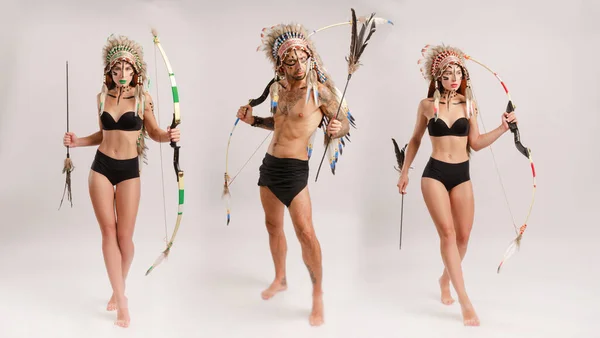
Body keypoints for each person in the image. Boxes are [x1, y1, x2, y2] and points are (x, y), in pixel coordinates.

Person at [235, 23, 352, 326]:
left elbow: (343, 121)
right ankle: (280, 278)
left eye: (302, 59)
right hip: (269, 167)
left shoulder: (320, 92)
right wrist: (253, 121)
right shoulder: (277, 89)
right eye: (291, 61)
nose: (298, 66)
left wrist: (339, 127)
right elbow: (280, 125)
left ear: (310, 59)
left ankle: (317, 295)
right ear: (280, 64)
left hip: (295, 170)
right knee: (273, 226)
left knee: (306, 232)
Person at [62, 34, 180, 328]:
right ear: (110, 71)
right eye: (117, 70)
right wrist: (78, 143)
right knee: (108, 232)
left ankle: (118, 286)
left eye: (127, 70)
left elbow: (153, 132)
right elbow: (103, 135)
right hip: (101, 167)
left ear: (136, 70)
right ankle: (122, 303)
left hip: (129, 170)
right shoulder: (101, 97)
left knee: (125, 238)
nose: (122, 75)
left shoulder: (143, 99)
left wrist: (169, 135)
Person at [396, 44, 518, 326]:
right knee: (448, 234)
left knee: (463, 237)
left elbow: (475, 143)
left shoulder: (468, 106)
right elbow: (415, 140)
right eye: (447, 72)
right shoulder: (427, 106)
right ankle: (465, 301)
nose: (453, 77)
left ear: (464, 77)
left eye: (458, 72)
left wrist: (502, 127)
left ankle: (444, 279)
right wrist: (405, 172)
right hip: (434, 174)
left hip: (461, 175)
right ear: (438, 77)